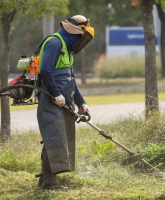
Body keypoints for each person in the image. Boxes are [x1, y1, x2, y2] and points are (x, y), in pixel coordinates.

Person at [36, 15, 94, 190]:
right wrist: (55, 94)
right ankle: (49, 183)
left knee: (60, 137)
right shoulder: (55, 43)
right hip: (50, 98)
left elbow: (71, 79)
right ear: (73, 31)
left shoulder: (67, 49)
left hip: (63, 99)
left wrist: (81, 102)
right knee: (54, 137)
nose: (80, 41)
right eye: (80, 36)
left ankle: (46, 179)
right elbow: (46, 71)